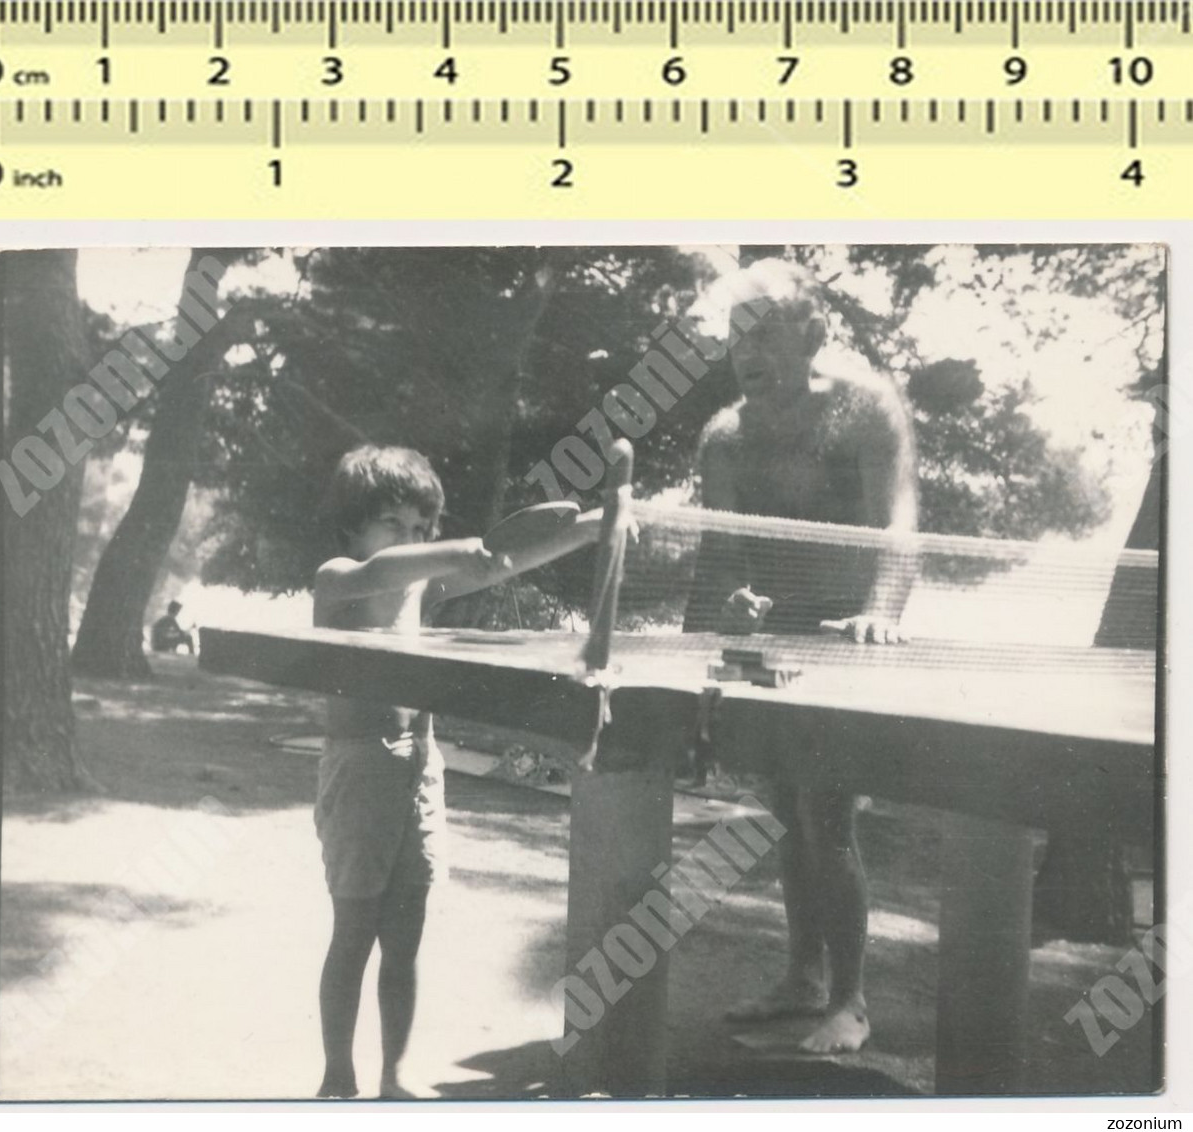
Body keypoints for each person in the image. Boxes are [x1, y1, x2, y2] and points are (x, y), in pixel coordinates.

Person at [312, 444, 618, 1098]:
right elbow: (393, 568)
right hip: (360, 773)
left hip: (422, 771)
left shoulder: (421, 589)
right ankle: (338, 1075)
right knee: (353, 934)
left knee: (404, 938)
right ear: (352, 528)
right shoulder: (338, 579)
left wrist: (594, 527)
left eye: (423, 526)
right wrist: (455, 547)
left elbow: (506, 561)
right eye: (395, 524)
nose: (413, 539)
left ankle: (393, 1078)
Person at [684, 259, 918, 1054]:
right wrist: (728, 611)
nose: (744, 352)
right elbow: (720, 555)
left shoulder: (866, 407)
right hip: (770, 644)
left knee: (828, 817)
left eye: (762, 333)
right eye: (733, 337)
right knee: (788, 819)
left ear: (813, 334)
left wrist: (879, 615)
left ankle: (850, 1000)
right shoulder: (724, 434)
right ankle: (801, 978)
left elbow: (899, 530)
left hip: (851, 639)